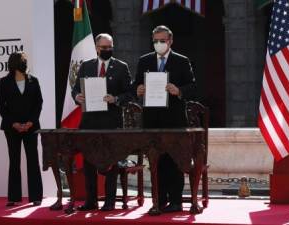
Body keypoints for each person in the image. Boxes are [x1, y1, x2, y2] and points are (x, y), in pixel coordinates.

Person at [134, 25, 197, 213]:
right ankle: (159, 200)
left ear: (170, 41)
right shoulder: (144, 61)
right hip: (152, 119)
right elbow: (135, 84)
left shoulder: (181, 61)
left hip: (174, 119)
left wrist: (179, 91)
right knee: (156, 161)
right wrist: (137, 89)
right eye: (155, 41)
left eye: (162, 40)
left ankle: (176, 201)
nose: (158, 44)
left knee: (175, 160)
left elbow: (193, 86)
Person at [72, 33, 133, 211]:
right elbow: (75, 89)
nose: (107, 50)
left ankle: (109, 201)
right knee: (89, 162)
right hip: (90, 122)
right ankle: (91, 201)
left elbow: (130, 93)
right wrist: (77, 96)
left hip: (111, 122)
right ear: (97, 48)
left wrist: (115, 98)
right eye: (104, 47)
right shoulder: (86, 66)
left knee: (111, 162)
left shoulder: (121, 67)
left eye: (110, 47)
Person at [0, 51, 43, 207]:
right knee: (14, 161)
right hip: (12, 128)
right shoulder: (4, 82)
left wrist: (31, 121)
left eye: (25, 61)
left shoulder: (33, 81)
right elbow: (1, 106)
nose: (24, 63)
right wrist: (13, 123)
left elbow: (39, 103)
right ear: (14, 64)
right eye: (22, 61)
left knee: (33, 160)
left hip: (31, 128)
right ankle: (13, 197)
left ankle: (36, 197)